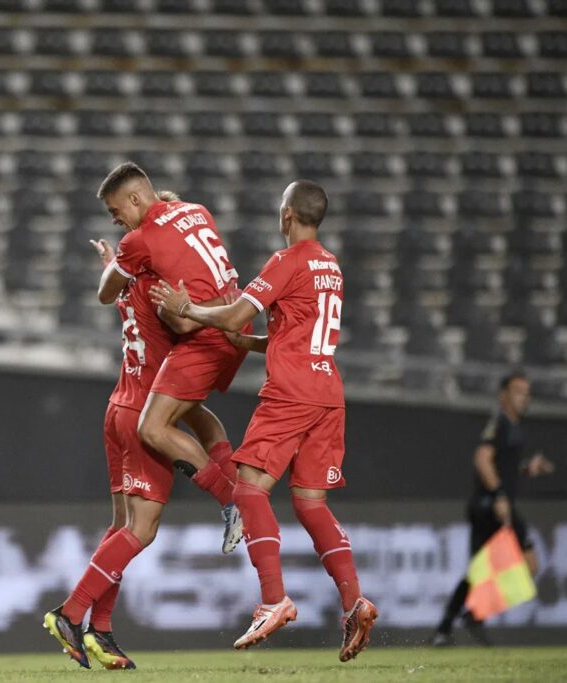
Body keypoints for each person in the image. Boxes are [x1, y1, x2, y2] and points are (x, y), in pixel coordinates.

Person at [150, 180, 378, 663]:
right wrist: (249, 344)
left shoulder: (286, 260)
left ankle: (273, 599)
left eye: (281, 209)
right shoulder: (330, 266)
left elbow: (235, 313)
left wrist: (185, 309)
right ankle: (354, 601)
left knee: (249, 490)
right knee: (311, 504)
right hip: (328, 394)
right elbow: (298, 332)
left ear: (288, 215)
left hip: (291, 394)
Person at [44, 191, 245, 670]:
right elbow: (182, 323)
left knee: (121, 528)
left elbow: (110, 286)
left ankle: (102, 631)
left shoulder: (131, 278)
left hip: (118, 407)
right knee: (143, 531)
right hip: (140, 413)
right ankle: (69, 614)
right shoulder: (164, 292)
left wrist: (112, 264)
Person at [94, 163, 250, 532]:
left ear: (135, 198)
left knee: (153, 429)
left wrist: (116, 265)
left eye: (117, 211)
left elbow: (106, 292)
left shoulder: (138, 244)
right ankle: (241, 499)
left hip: (204, 334)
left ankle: (235, 502)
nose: (117, 221)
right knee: (195, 412)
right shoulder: (197, 211)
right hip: (235, 323)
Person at [431, 371, 555, 646]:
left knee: (482, 570)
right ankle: (468, 617)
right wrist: (499, 494)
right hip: (491, 506)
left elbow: (502, 467)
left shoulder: (513, 427)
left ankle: (449, 626)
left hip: (494, 504)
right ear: (504, 395)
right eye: (518, 391)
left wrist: (526, 469)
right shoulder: (499, 422)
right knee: (526, 563)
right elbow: (482, 459)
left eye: (527, 392)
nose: (525, 397)